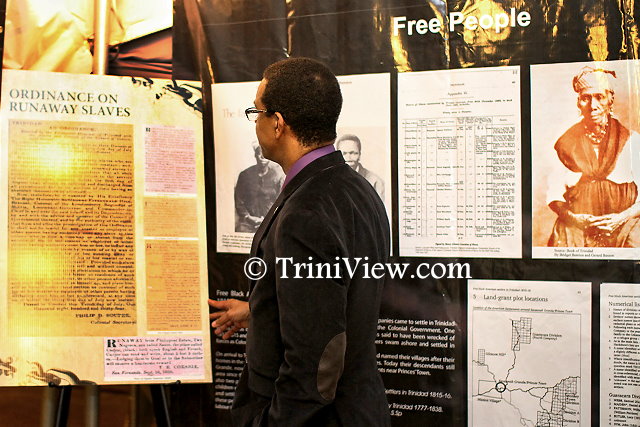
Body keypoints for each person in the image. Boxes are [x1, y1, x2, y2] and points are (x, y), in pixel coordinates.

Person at [209, 57, 391, 426]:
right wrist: (261, 309)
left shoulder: (306, 211)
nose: (255, 123)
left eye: (256, 112)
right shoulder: (358, 189)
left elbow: (315, 363)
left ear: (277, 123)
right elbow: (337, 297)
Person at [546, 66, 640, 247]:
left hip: (625, 226)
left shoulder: (632, 141)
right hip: (577, 228)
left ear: (610, 101)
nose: (593, 106)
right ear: (578, 103)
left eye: (600, 97)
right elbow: (554, 196)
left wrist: (620, 218)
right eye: (585, 98)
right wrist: (575, 219)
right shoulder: (565, 144)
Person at [234, 142, 284, 232]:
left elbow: (281, 202)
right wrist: (247, 217)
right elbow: (239, 200)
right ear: (255, 155)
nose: (262, 157)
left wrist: (269, 218)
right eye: (259, 153)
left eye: (264, 154)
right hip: (247, 222)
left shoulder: (278, 174)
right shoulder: (245, 175)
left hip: (271, 222)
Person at [336, 134, 385, 199]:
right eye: (344, 153)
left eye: (353, 153)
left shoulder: (375, 182)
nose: (348, 157)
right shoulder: (332, 180)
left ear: (359, 155)